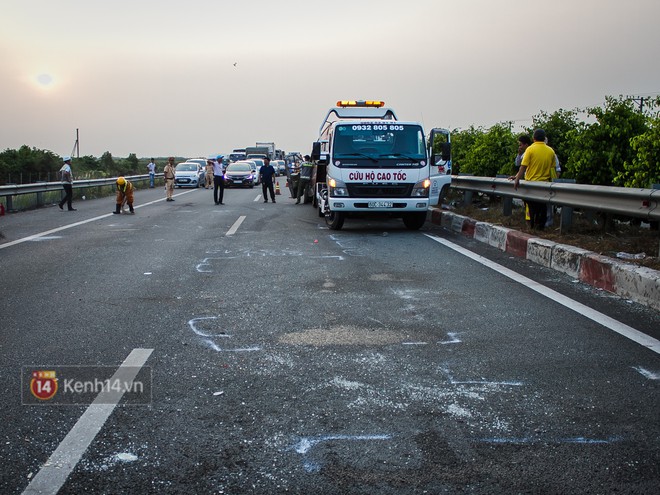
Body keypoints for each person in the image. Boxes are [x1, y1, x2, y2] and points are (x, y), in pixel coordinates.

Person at [510, 129, 556, 230]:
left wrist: (517, 178)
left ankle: (532, 226)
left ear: (533, 138)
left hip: (531, 184)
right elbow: (553, 169)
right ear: (544, 138)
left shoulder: (530, 150)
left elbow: (523, 167)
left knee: (531, 206)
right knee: (542, 207)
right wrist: (553, 182)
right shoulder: (550, 151)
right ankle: (540, 227)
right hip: (544, 184)